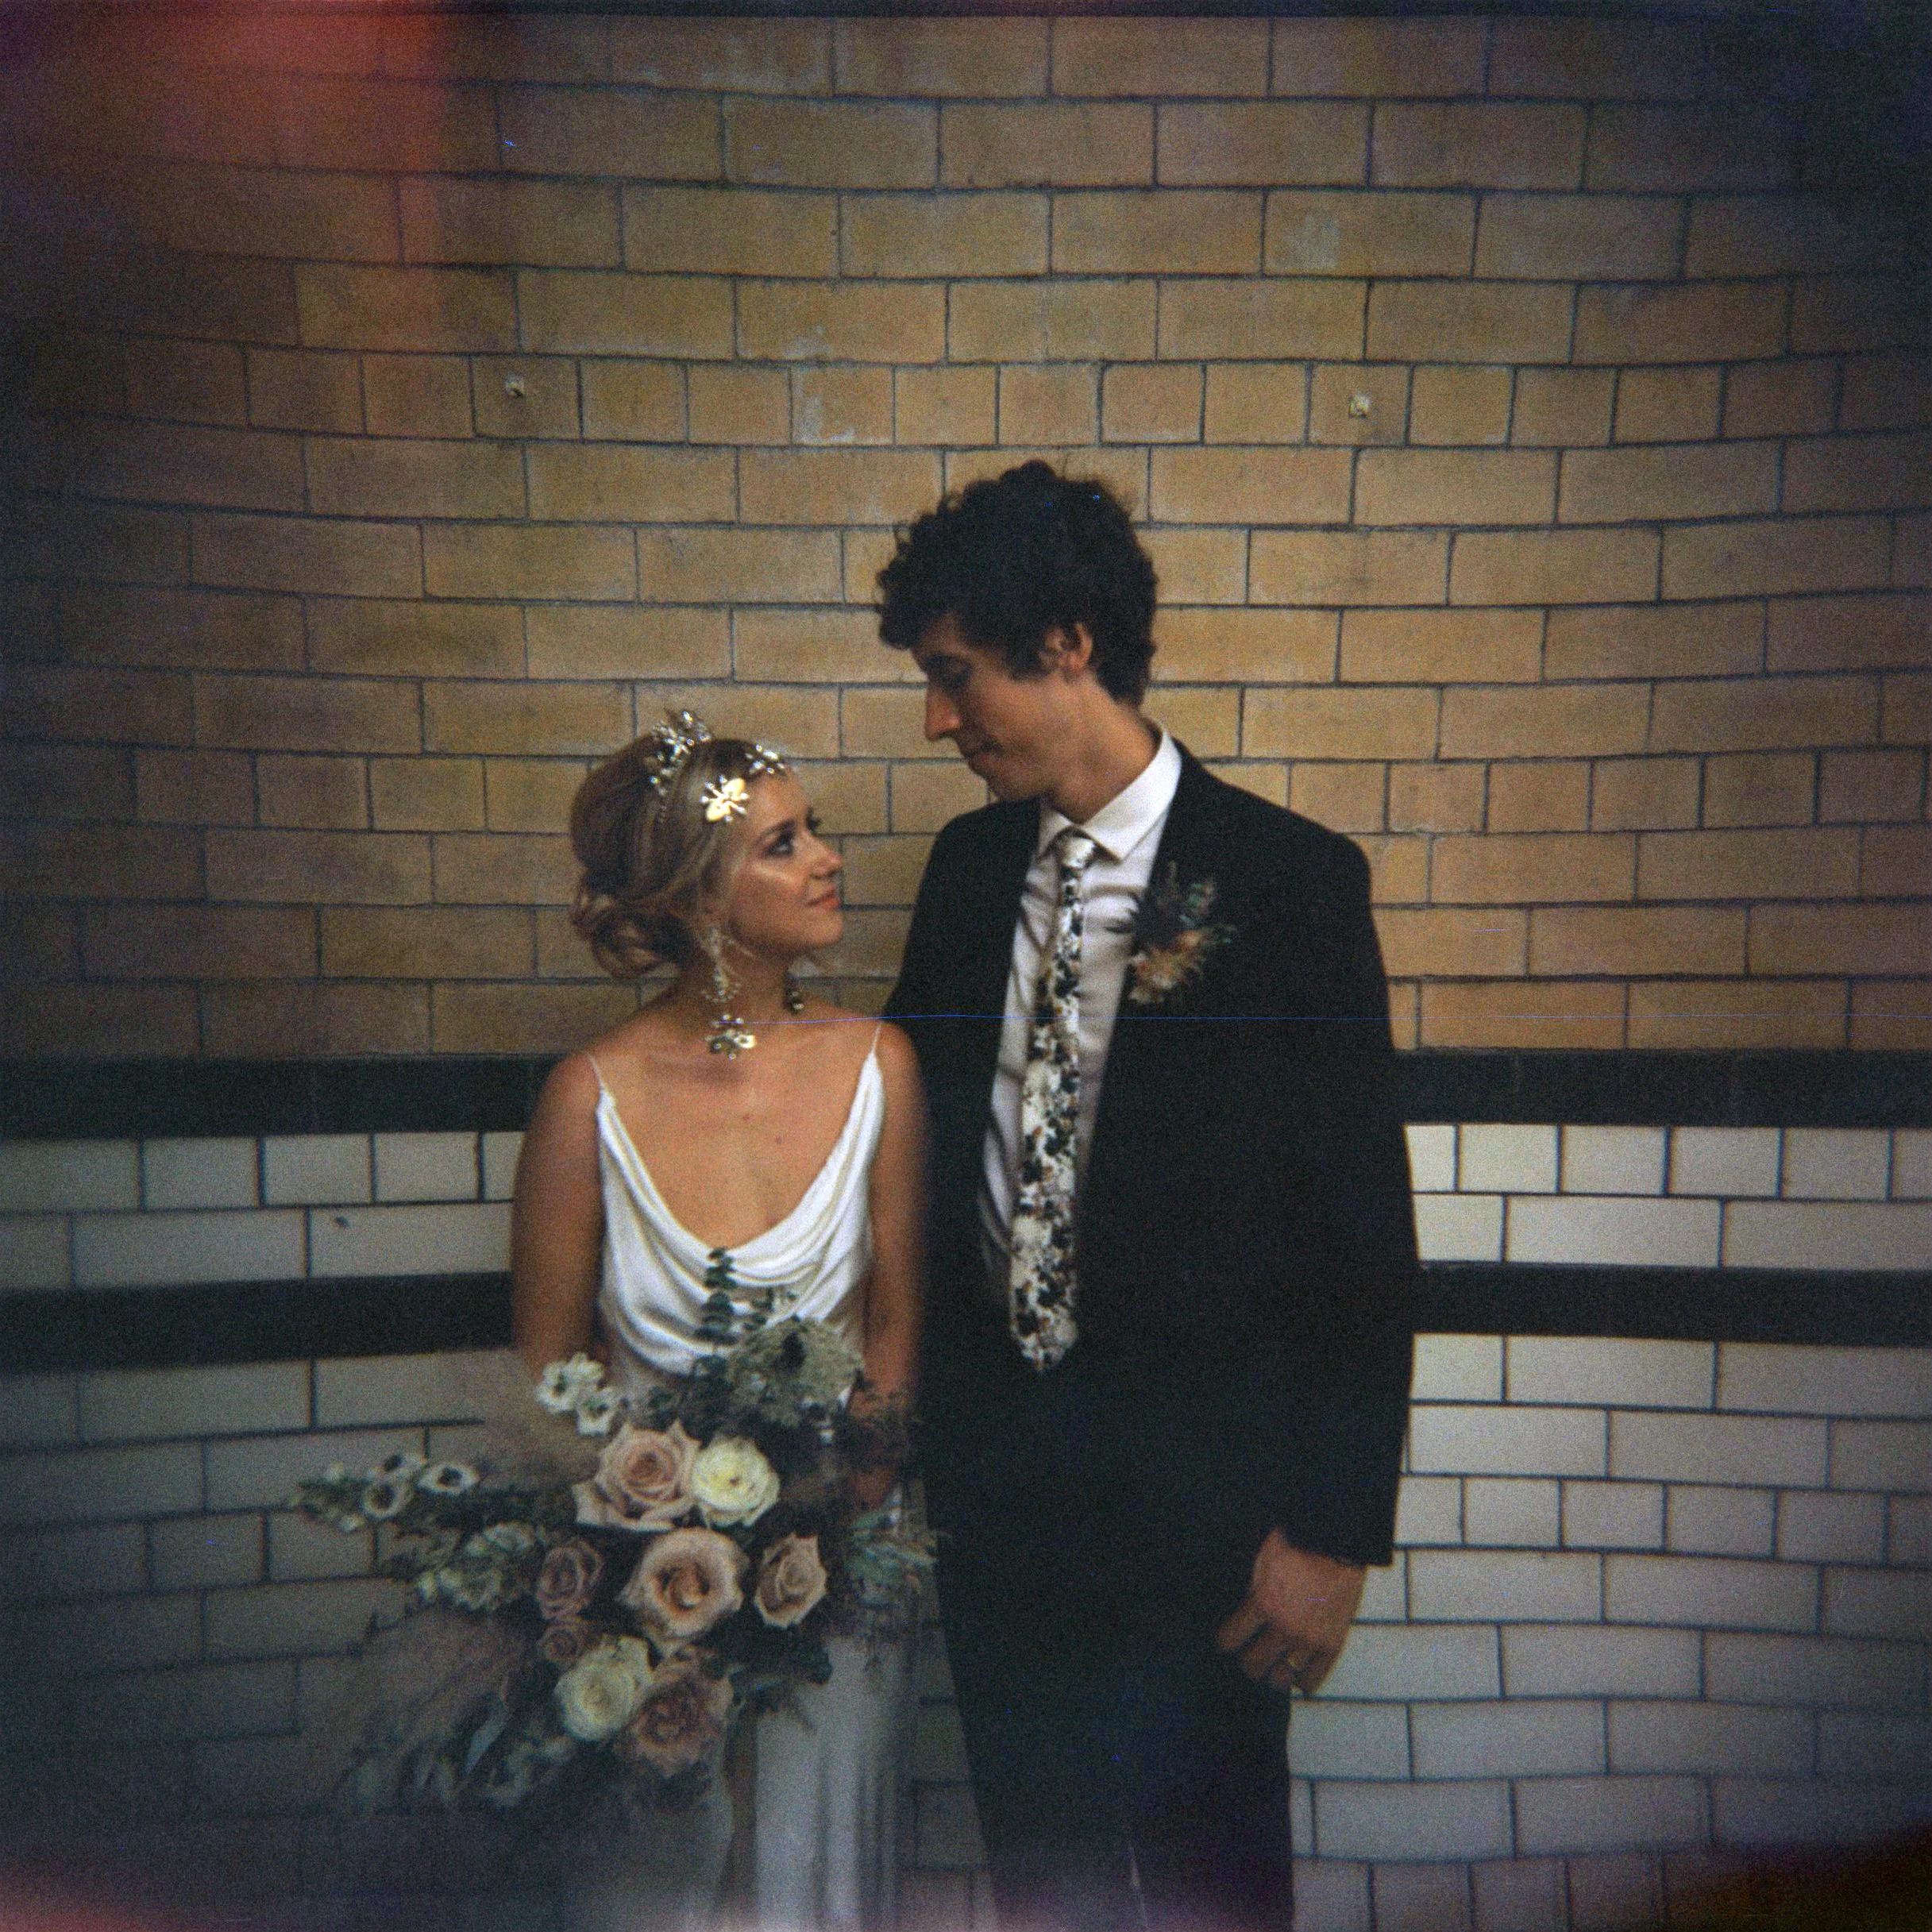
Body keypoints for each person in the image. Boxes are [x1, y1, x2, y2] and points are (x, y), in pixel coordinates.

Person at [879, 461, 1417, 1932]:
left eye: (954, 674)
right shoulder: (965, 874)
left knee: (1213, 1888)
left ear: (1067, 644)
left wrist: (1334, 1533)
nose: (936, 719)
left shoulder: (1291, 883)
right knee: (1041, 1883)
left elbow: (1362, 1235)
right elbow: (913, 1150)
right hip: (1000, 1503)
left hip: (1208, 1518)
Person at [511, 713, 927, 1931]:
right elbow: (548, 1380)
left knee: (816, 1874)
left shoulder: (880, 1066)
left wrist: (832, 1526)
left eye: (817, 831)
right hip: (644, 1595)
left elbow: (898, 1321)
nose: (827, 859)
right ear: (699, 895)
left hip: (840, 1579)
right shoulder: (586, 1098)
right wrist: (644, 1572)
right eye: (783, 843)